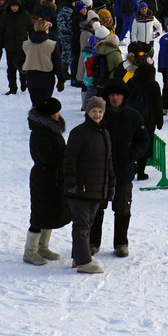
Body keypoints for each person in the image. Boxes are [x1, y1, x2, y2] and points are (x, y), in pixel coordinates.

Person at [91, 79, 150, 258]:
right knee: (96, 208)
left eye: (118, 95)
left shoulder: (133, 116)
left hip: (123, 171)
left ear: (124, 97)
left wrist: (131, 155)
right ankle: (93, 242)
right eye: (112, 95)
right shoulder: (99, 115)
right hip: (100, 170)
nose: (115, 98)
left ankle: (121, 243)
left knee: (123, 208)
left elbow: (144, 140)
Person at [63, 96, 114, 274]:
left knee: (88, 224)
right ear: (87, 112)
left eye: (100, 111)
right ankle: (84, 262)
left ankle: (78, 257)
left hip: (97, 189)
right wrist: (72, 185)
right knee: (82, 225)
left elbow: (108, 163)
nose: (97, 114)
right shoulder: (79, 133)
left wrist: (110, 186)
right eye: (94, 111)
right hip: (80, 189)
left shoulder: (104, 133)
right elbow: (69, 161)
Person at [23, 97, 71, 265]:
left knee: (50, 211)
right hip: (43, 177)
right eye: (54, 112)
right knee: (39, 214)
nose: (58, 115)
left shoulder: (50, 129)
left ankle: (42, 247)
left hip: (54, 176)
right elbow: (47, 157)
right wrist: (66, 155)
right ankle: (30, 251)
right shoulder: (41, 132)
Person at [22, 19, 66, 105]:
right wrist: (61, 81)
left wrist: (22, 68)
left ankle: (35, 117)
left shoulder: (26, 45)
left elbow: (17, 59)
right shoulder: (52, 45)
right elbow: (57, 64)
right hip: (47, 78)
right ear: (46, 30)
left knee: (35, 104)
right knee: (46, 105)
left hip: (31, 77)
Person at [0, 0, 33, 94]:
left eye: (16, 6)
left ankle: (23, 83)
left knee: (23, 67)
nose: (14, 8)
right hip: (9, 46)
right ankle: (12, 87)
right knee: (11, 69)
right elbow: (0, 30)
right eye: (12, 6)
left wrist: (32, 42)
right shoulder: (5, 15)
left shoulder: (25, 15)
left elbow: (31, 29)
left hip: (23, 47)